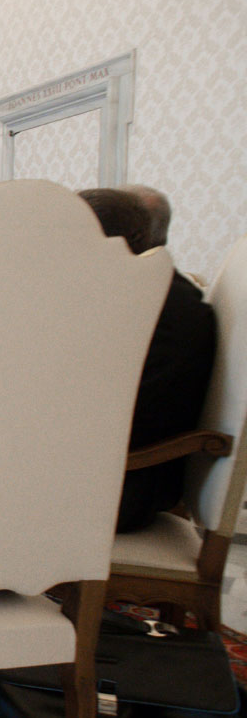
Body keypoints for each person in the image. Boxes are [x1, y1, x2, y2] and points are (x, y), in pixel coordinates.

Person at [80, 187, 216, 533]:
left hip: (123, 487)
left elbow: (128, 418)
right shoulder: (157, 293)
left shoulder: (165, 312)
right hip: (111, 474)